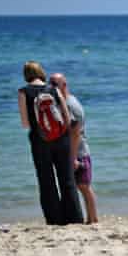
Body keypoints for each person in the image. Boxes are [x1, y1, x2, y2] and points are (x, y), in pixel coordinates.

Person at [18, 61, 83, 225]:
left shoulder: (23, 92)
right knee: (67, 179)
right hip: (61, 139)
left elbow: (25, 123)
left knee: (46, 181)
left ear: (26, 75)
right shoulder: (53, 89)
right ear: (41, 72)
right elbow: (67, 119)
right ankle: (74, 218)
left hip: (40, 140)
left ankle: (55, 220)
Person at [50, 73, 98, 224]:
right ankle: (90, 218)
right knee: (81, 186)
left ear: (64, 85)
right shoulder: (64, 101)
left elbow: (76, 133)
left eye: (54, 84)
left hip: (80, 152)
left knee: (84, 186)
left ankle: (93, 219)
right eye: (49, 83)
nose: (51, 87)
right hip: (75, 152)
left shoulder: (70, 104)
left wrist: (73, 158)